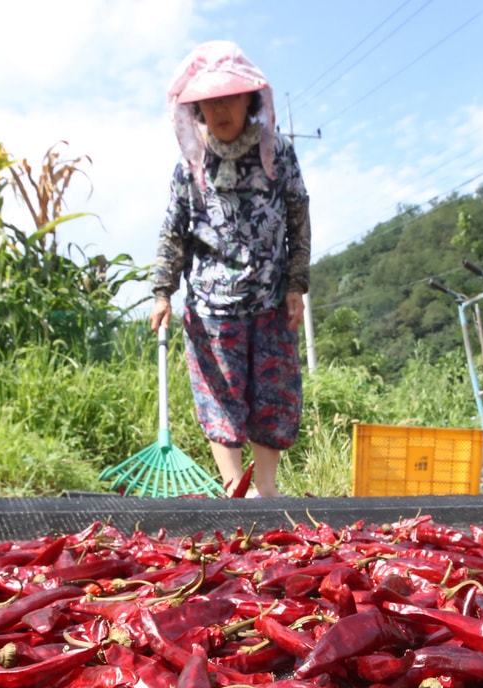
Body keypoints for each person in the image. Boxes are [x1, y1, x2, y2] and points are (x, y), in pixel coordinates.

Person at [150, 40, 311, 499]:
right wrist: (162, 291)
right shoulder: (190, 165)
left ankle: (265, 491)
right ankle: (233, 493)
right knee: (222, 401)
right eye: (209, 101)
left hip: (270, 298)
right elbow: (173, 230)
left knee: (272, 397)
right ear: (197, 108)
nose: (220, 109)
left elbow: (298, 216)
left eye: (229, 98)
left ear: (250, 100)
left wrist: (297, 282)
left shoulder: (276, 153)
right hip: (211, 308)